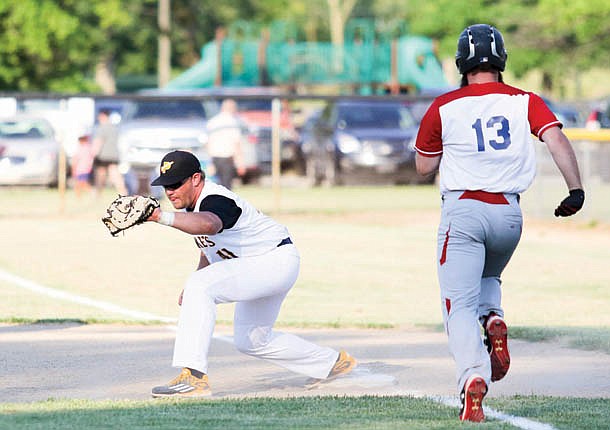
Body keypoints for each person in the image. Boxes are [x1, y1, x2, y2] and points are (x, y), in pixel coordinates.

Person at [414, 24, 584, 422]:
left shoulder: (445, 105)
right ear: (502, 60)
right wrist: (575, 190)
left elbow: (423, 166)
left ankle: (473, 377)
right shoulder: (525, 100)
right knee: (489, 276)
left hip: (464, 211)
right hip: (509, 215)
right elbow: (556, 139)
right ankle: (494, 318)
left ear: (461, 63)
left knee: (457, 305)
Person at [145, 150, 356, 398]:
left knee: (200, 286)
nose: (170, 191)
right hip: (266, 264)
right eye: (166, 185)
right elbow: (208, 251)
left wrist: (160, 217)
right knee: (252, 340)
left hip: (272, 261)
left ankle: (193, 377)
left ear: (196, 178)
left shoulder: (216, 199)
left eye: (176, 183)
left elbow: (210, 224)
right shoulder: (194, 208)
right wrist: (193, 285)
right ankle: (334, 364)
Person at [205, 99, 246, 189]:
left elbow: (208, 143)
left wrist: (210, 161)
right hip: (227, 158)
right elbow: (236, 143)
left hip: (215, 158)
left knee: (217, 186)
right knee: (227, 187)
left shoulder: (213, 121)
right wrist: (240, 163)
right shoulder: (232, 122)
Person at [92, 109, 127, 196]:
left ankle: (97, 194)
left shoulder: (102, 127)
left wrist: (93, 154)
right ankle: (123, 192)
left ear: (103, 116)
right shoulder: (114, 128)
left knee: (100, 175)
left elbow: (98, 142)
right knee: (115, 175)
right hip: (113, 155)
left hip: (103, 155)